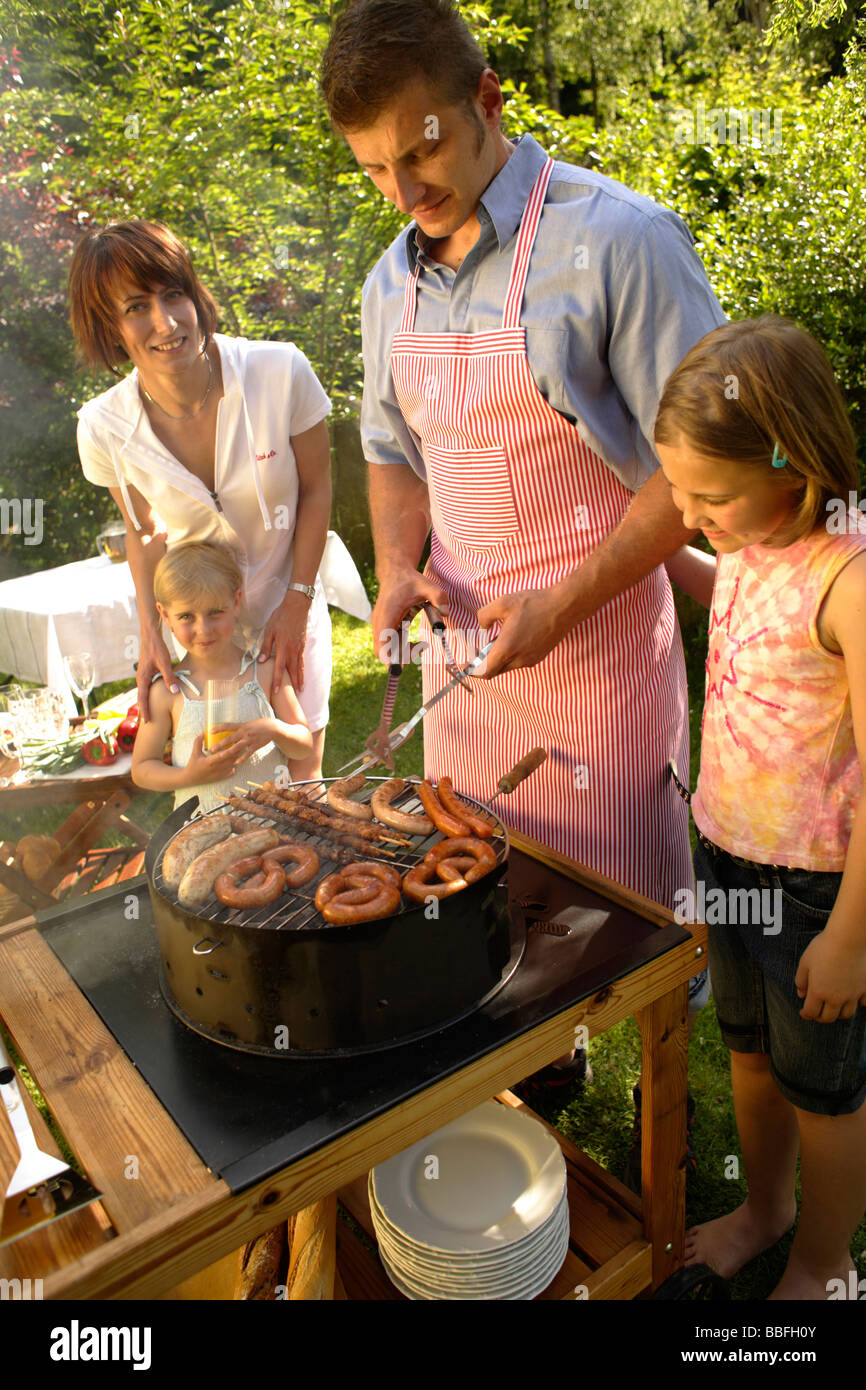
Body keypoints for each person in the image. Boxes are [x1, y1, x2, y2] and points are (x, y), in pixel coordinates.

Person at [320, 0, 723, 1090]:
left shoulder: (617, 243)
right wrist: (399, 565)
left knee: (618, 929)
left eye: (423, 148)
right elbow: (391, 449)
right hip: (465, 667)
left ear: (486, 100)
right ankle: (535, 1080)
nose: (404, 193)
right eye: (373, 170)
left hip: (593, 666)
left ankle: (660, 1128)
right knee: (489, 909)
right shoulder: (386, 284)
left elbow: (695, 477)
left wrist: (560, 603)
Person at [653, 315, 866, 1300]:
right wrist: (670, 560)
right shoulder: (749, 530)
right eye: (680, 496)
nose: (694, 516)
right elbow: (738, 600)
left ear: (791, 459)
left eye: (710, 497)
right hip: (725, 852)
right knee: (744, 1052)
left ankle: (824, 1263)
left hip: (817, 887)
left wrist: (851, 939)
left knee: (822, 1091)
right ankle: (763, 1209)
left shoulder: (849, 577)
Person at [68, 219, 332, 781]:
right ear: (108, 328)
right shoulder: (102, 426)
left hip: (294, 606)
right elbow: (143, 535)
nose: (165, 322)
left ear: (194, 295)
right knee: (219, 799)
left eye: (173, 295)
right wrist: (150, 633)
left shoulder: (279, 370)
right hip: (202, 636)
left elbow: (316, 488)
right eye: (136, 307)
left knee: (303, 782)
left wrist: (298, 601)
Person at [132, 541, 312, 812]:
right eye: (186, 616)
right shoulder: (168, 691)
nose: (203, 629)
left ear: (236, 602)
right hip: (203, 835)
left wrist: (273, 729)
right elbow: (142, 768)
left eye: (215, 612)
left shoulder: (263, 671)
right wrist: (187, 777)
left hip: (274, 827)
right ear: (164, 615)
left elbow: (303, 745)